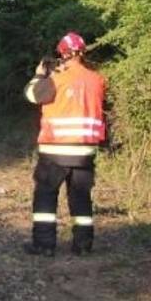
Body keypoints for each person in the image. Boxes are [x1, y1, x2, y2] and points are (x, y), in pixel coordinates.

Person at [23, 31, 106, 257]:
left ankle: (44, 245)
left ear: (62, 54)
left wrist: (40, 75)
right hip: (85, 151)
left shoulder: (55, 79)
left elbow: (32, 95)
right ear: (83, 53)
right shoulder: (97, 79)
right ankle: (83, 245)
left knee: (46, 197)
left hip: (55, 151)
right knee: (81, 197)